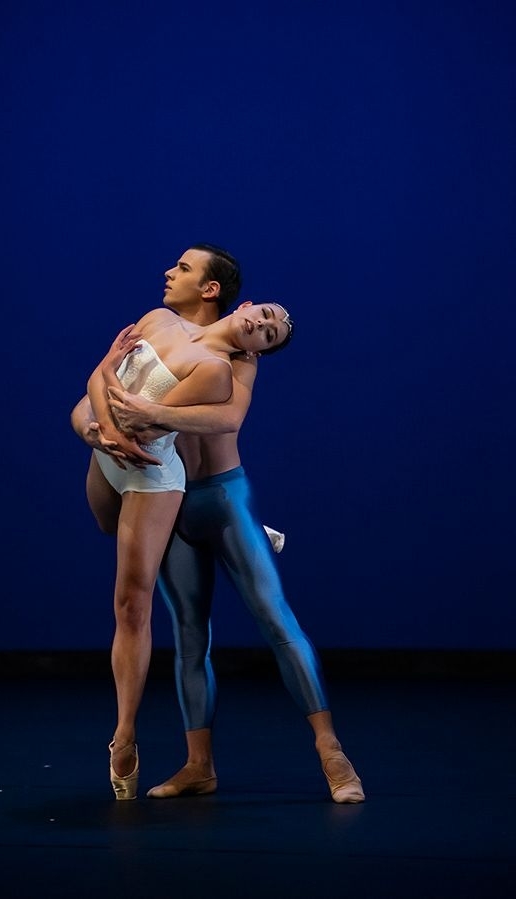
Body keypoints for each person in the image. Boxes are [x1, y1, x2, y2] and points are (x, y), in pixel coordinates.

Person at [74, 243, 364, 804]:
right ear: (245, 304)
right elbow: (95, 397)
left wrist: (150, 413)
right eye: (265, 315)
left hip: (224, 497)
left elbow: (229, 417)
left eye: (271, 333)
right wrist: (99, 422)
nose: (263, 326)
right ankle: (198, 765)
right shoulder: (168, 329)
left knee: (273, 616)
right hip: (174, 497)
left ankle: (332, 752)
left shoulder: (239, 361)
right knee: (189, 633)